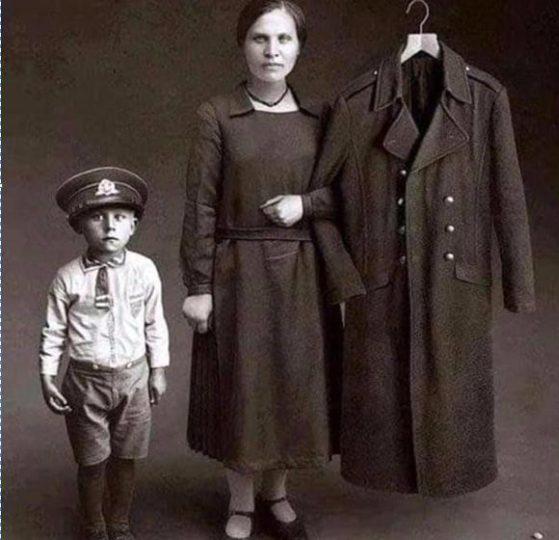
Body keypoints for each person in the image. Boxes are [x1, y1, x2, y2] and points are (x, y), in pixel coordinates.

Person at [308, 42, 536, 496]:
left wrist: (519, 284)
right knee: (383, 389)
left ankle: (452, 471)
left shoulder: (485, 98)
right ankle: (387, 473)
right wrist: (345, 278)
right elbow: (316, 201)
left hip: (455, 280)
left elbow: (508, 196)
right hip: (381, 278)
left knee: (453, 387)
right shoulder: (357, 103)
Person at [179, 1, 362, 538]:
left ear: (299, 47)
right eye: (260, 38)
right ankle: (240, 502)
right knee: (244, 389)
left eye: (284, 39)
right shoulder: (216, 115)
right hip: (238, 274)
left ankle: (276, 493)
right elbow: (200, 205)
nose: (272, 51)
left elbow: (352, 193)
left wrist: (305, 204)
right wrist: (199, 285)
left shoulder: (321, 119)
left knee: (292, 387)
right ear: (243, 44)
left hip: (303, 275)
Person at [39, 167, 170, 540]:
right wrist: (47, 376)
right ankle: (94, 524)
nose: (110, 226)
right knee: (92, 461)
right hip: (85, 381)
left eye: (120, 217)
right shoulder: (67, 277)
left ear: (133, 226)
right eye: (98, 217)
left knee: (126, 458)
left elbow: (155, 322)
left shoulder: (144, 270)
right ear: (79, 225)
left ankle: (120, 522)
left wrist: (158, 370)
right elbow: (54, 330)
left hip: (134, 378)